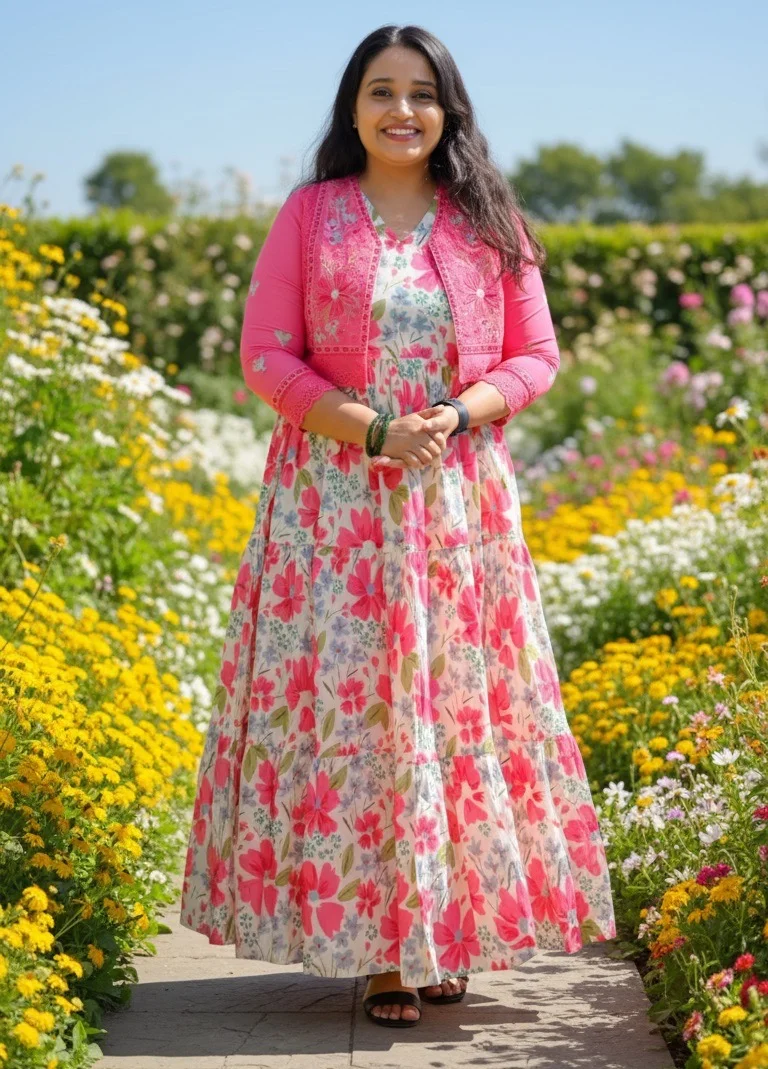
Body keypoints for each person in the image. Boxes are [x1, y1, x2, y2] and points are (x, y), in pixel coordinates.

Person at [179, 23, 617, 1030]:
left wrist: (456, 415)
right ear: (353, 109)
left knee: (452, 710)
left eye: (422, 94)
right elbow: (266, 354)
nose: (402, 111)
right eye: (381, 92)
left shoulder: (488, 218)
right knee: (357, 715)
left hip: (458, 504)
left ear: (448, 111)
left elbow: (536, 354)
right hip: (333, 509)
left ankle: (445, 933)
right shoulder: (311, 213)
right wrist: (372, 428)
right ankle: (381, 949)